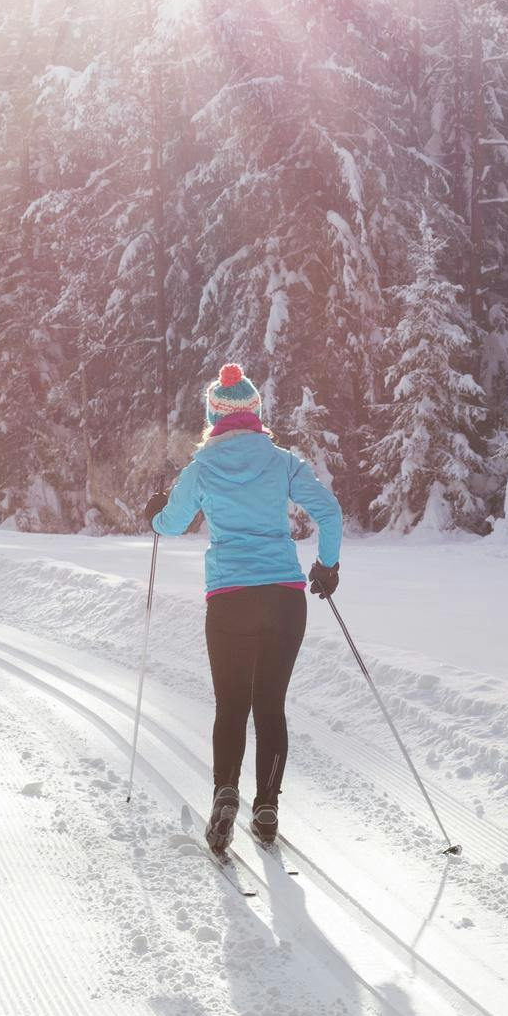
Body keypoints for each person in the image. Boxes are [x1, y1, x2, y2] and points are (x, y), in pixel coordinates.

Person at [146, 363, 342, 852]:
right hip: (283, 599)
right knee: (270, 704)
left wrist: (156, 510)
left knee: (231, 705)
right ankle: (268, 807)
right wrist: (328, 565)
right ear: (256, 413)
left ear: (214, 415)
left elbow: (169, 525)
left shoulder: (202, 468)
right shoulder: (281, 461)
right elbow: (329, 511)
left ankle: (225, 794)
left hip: (230, 599)